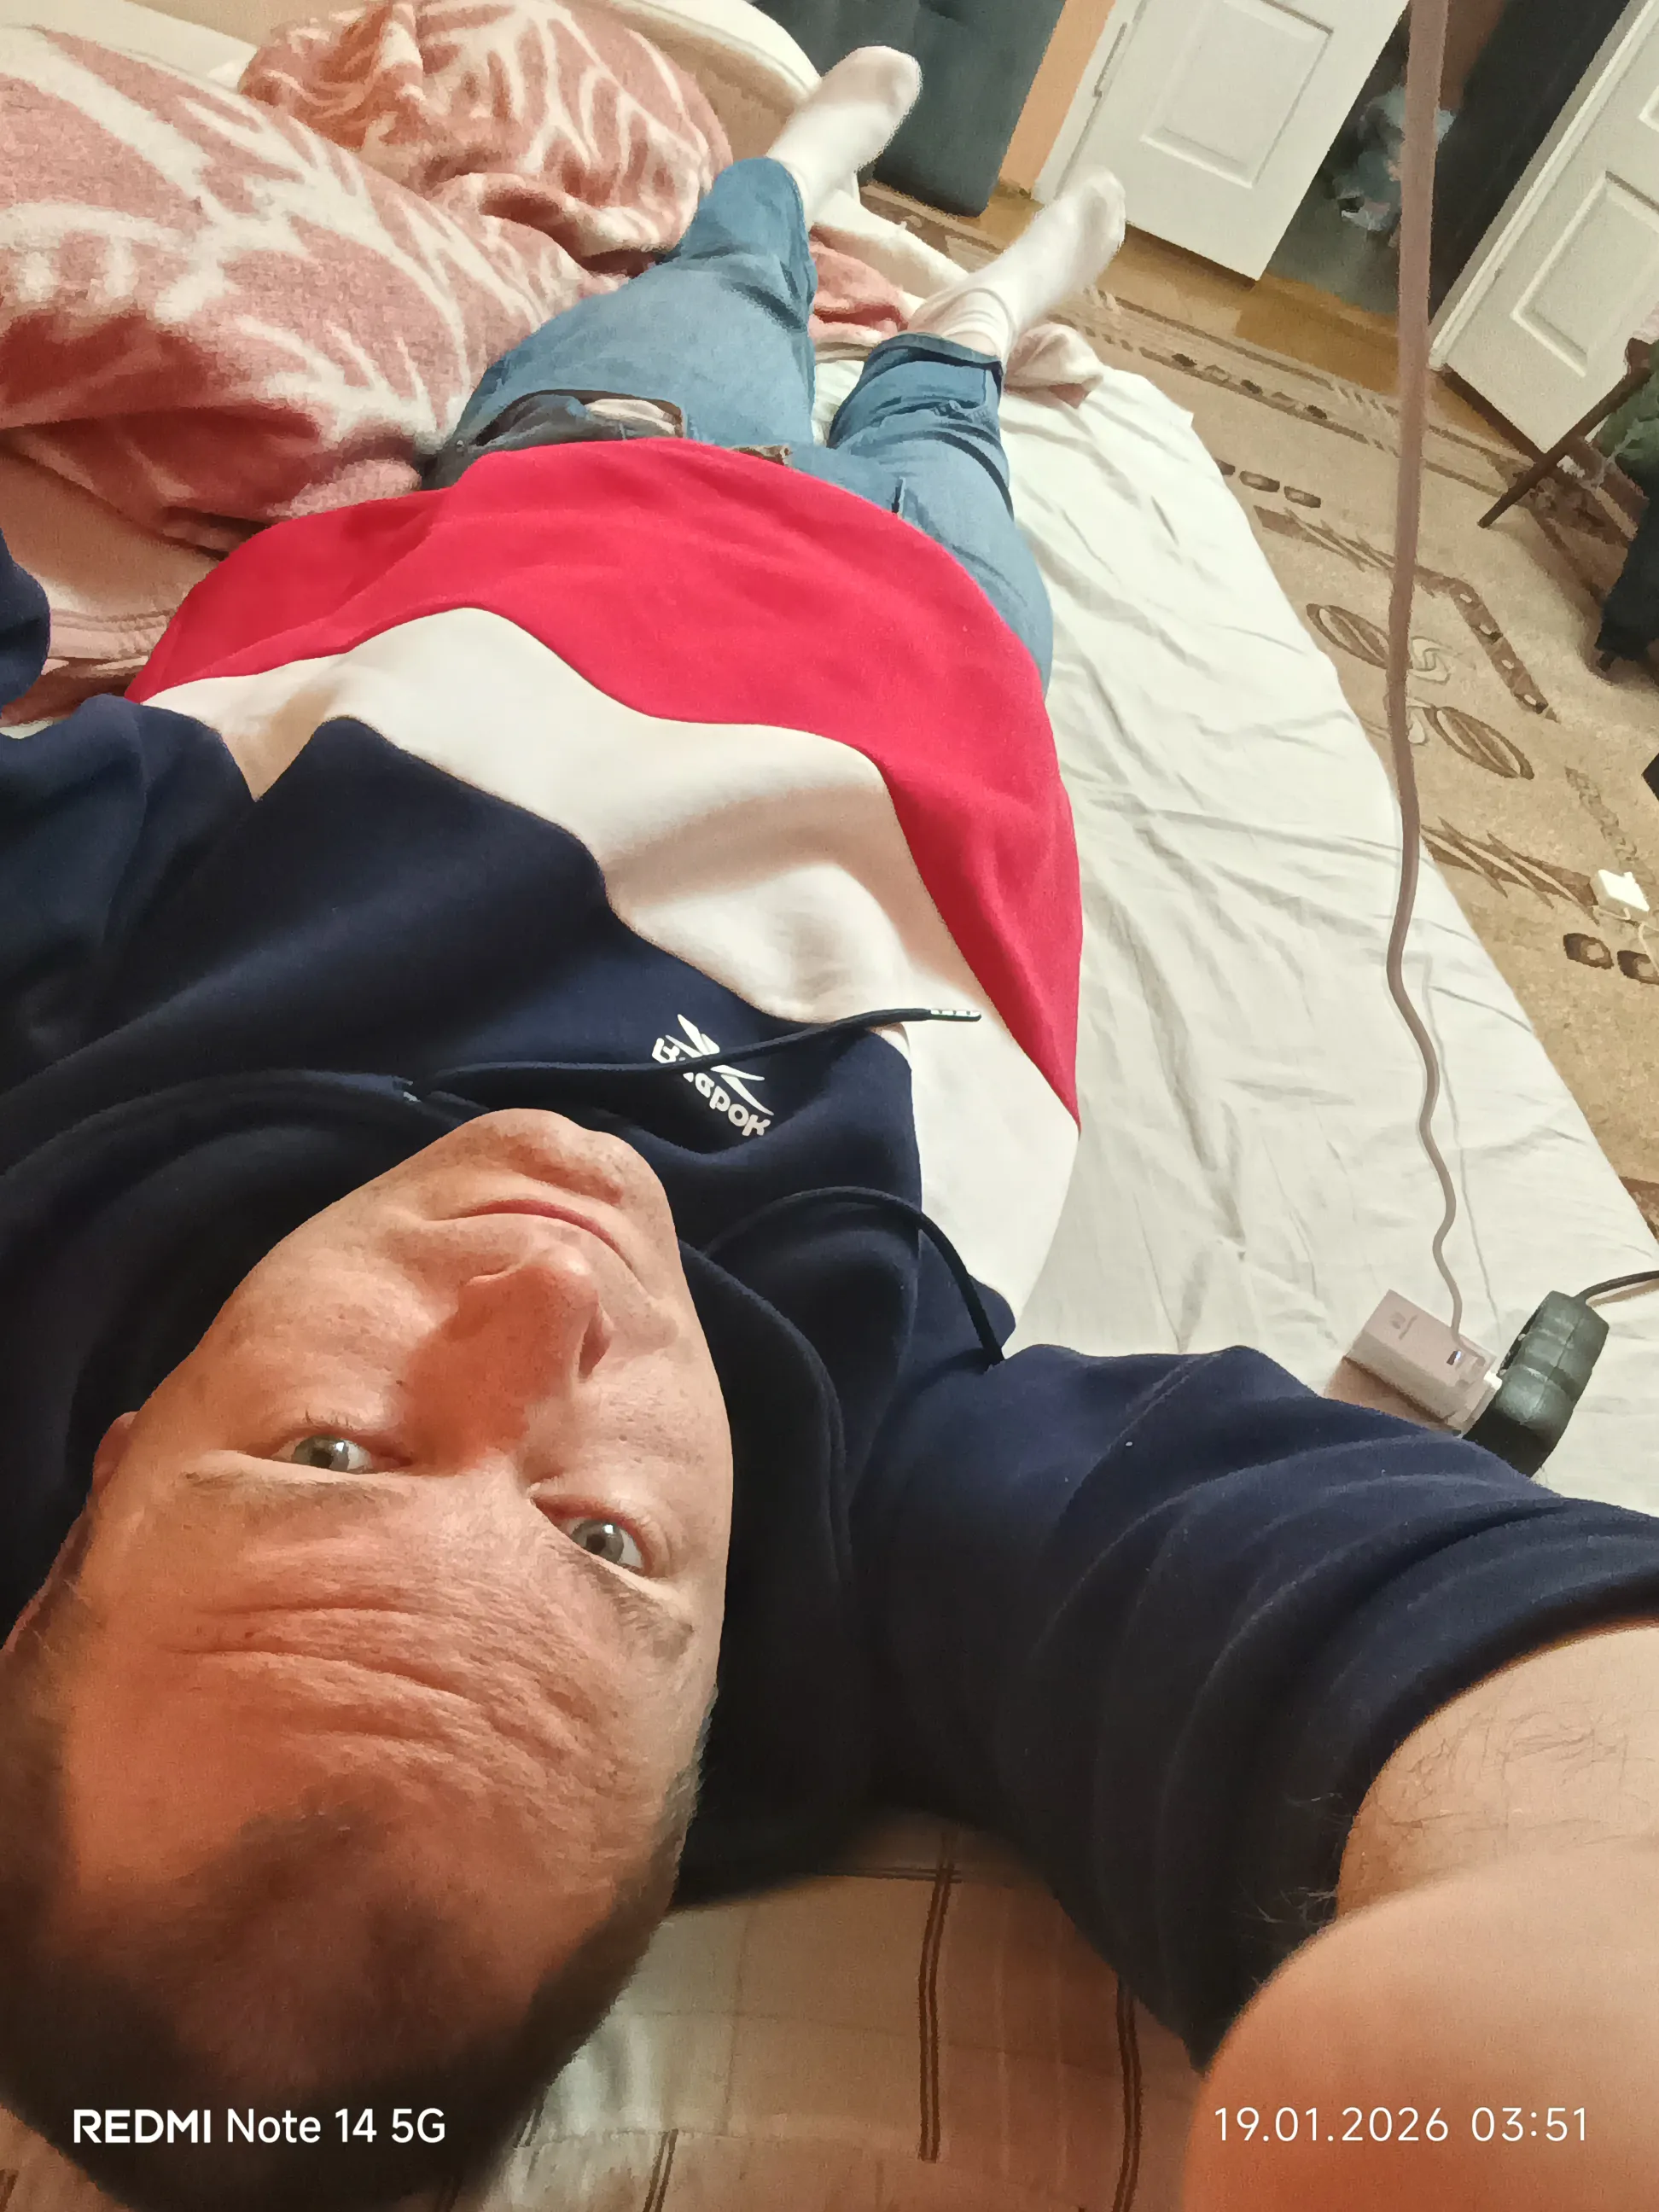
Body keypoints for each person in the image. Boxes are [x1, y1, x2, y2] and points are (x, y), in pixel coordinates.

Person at [1, 45, 1657, 2212]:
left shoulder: (55, 1182)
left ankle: (796, 177)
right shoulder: (870, 1490)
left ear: (112, 1466)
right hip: (925, 678)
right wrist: (1559, 1935)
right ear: (715, 1705)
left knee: (724, 283)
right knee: (943, 437)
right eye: (608, 1546)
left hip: (593, 508)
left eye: (332, 1452)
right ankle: (976, 329)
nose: (545, 1303)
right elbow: (1293, 1588)